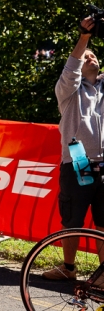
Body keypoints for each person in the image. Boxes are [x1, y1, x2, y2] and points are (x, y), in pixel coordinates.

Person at [44, 15, 104, 280]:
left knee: (103, 222)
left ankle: (103, 273)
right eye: (86, 56)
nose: (90, 58)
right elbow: (71, 68)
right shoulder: (68, 91)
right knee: (72, 222)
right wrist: (84, 37)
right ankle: (68, 269)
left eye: (94, 56)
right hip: (77, 162)